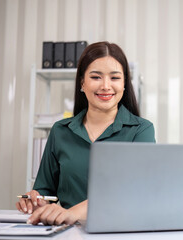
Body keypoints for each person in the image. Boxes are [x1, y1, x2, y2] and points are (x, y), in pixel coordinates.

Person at [16, 41, 156, 225]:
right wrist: (35, 201)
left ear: (124, 84)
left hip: (120, 231)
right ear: (82, 82)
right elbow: (45, 191)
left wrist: (73, 212)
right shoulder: (60, 131)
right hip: (66, 233)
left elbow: (136, 190)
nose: (106, 86)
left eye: (115, 78)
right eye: (96, 77)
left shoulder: (141, 131)